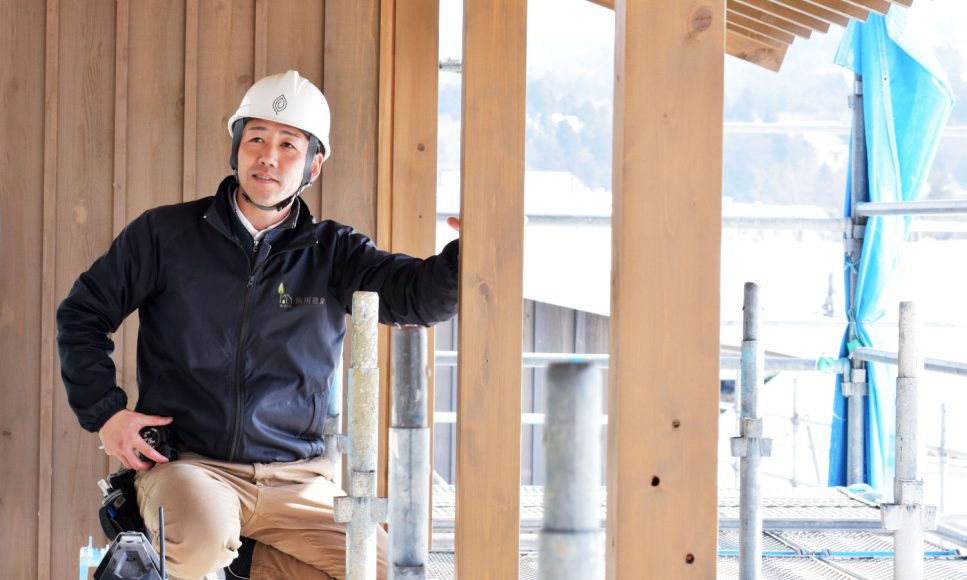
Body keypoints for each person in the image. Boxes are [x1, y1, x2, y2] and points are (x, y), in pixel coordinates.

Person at [57, 70, 460, 579]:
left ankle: (238, 565)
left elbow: (416, 296)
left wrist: (468, 256)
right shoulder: (164, 234)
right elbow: (83, 312)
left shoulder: (334, 252)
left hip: (299, 478)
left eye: (289, 144)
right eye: (256, 139)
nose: (268, 156)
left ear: (314, 163)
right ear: (236, 148)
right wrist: (107, 414)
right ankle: (207, 553)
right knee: (199, 543)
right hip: (192, 466)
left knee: (382, 573)